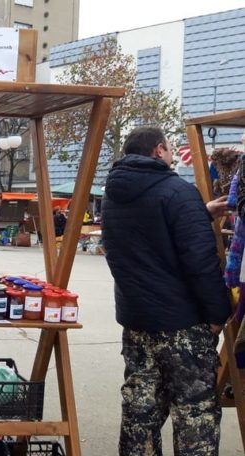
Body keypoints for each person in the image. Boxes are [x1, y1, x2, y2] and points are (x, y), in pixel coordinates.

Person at [102, 126, 231, 455]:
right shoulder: (178, 191)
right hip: (182, 324)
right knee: (194, 412)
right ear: (159, 150)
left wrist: (200, 213)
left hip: (137, 321)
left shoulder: (113, 195)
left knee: (140, 409)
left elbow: (148, 234)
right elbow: (200, 262)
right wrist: (219, 313)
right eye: (171, 149)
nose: (173, 155)